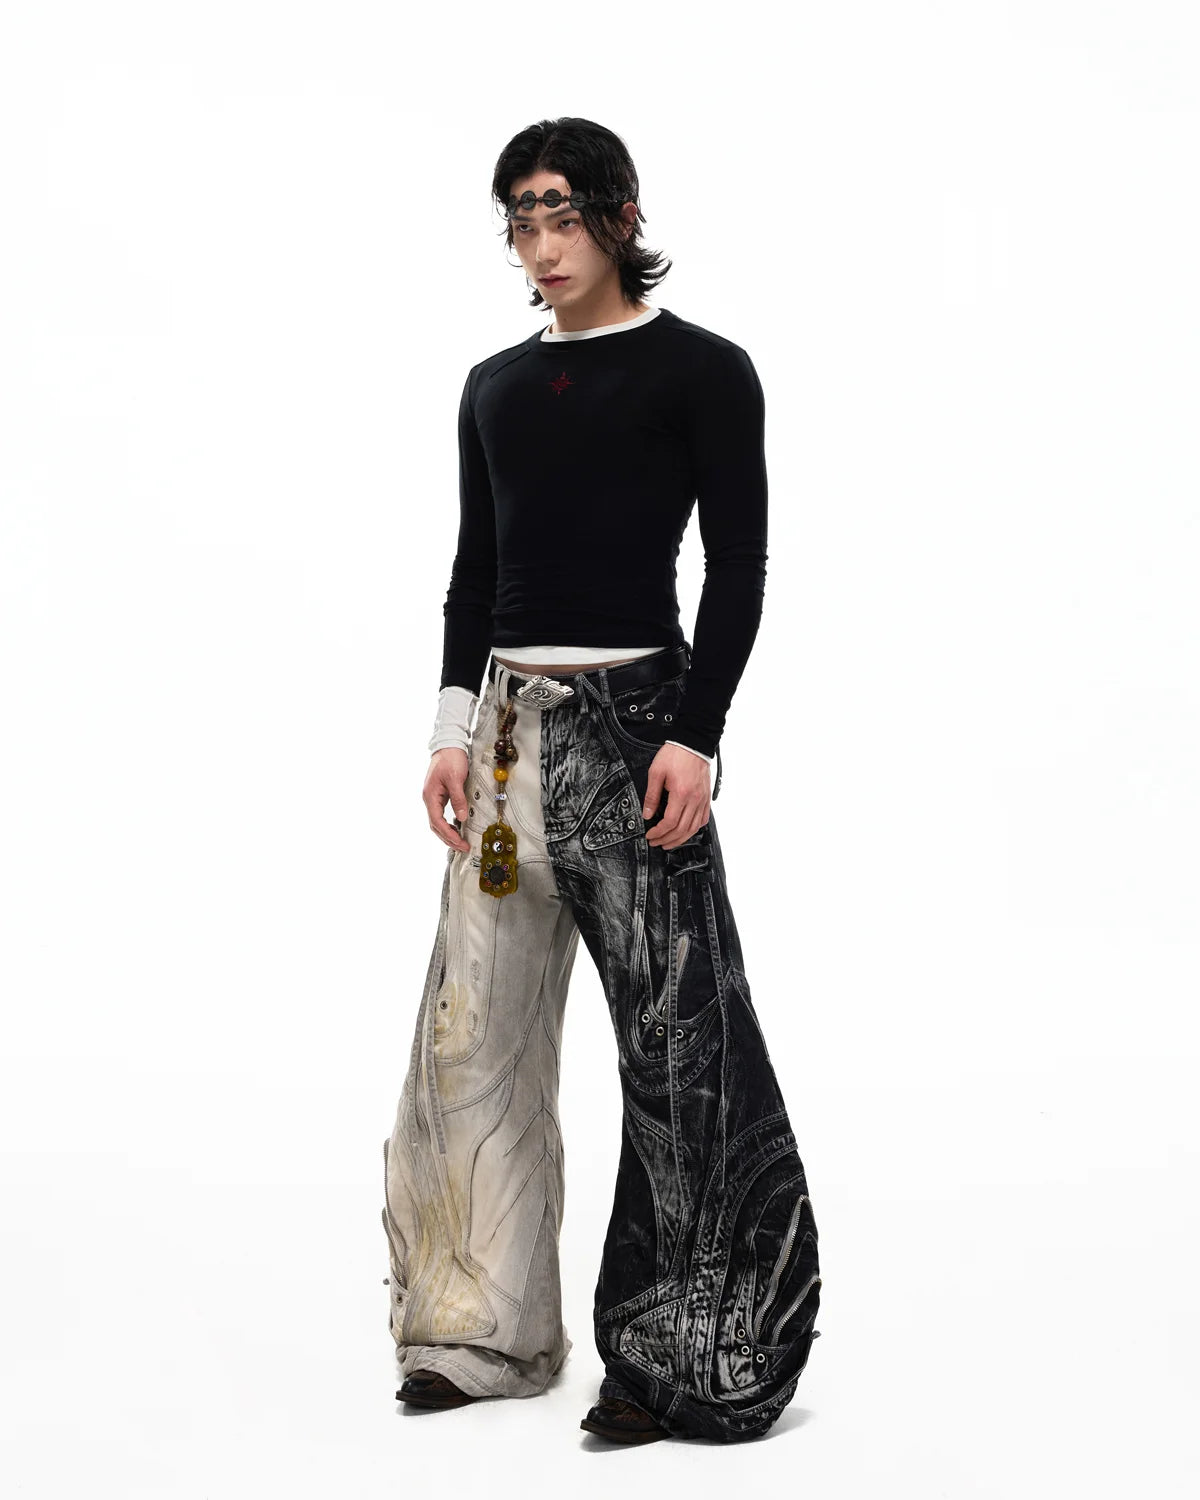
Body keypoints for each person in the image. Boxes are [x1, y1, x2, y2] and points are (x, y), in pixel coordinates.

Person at [382, 116, 821, 1444]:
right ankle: (476, 1334)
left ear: (621, 215)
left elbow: (736, 568)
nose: (540, 242)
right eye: (520, 218)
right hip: (506, 741)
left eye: (561, 212)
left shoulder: (705, 373)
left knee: (677, 1047)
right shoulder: (494, 388)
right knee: (473, 1037)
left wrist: (697, 733)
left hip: (637, 733)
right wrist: (450, 731)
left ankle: (681, 1356)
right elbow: (475, 576)